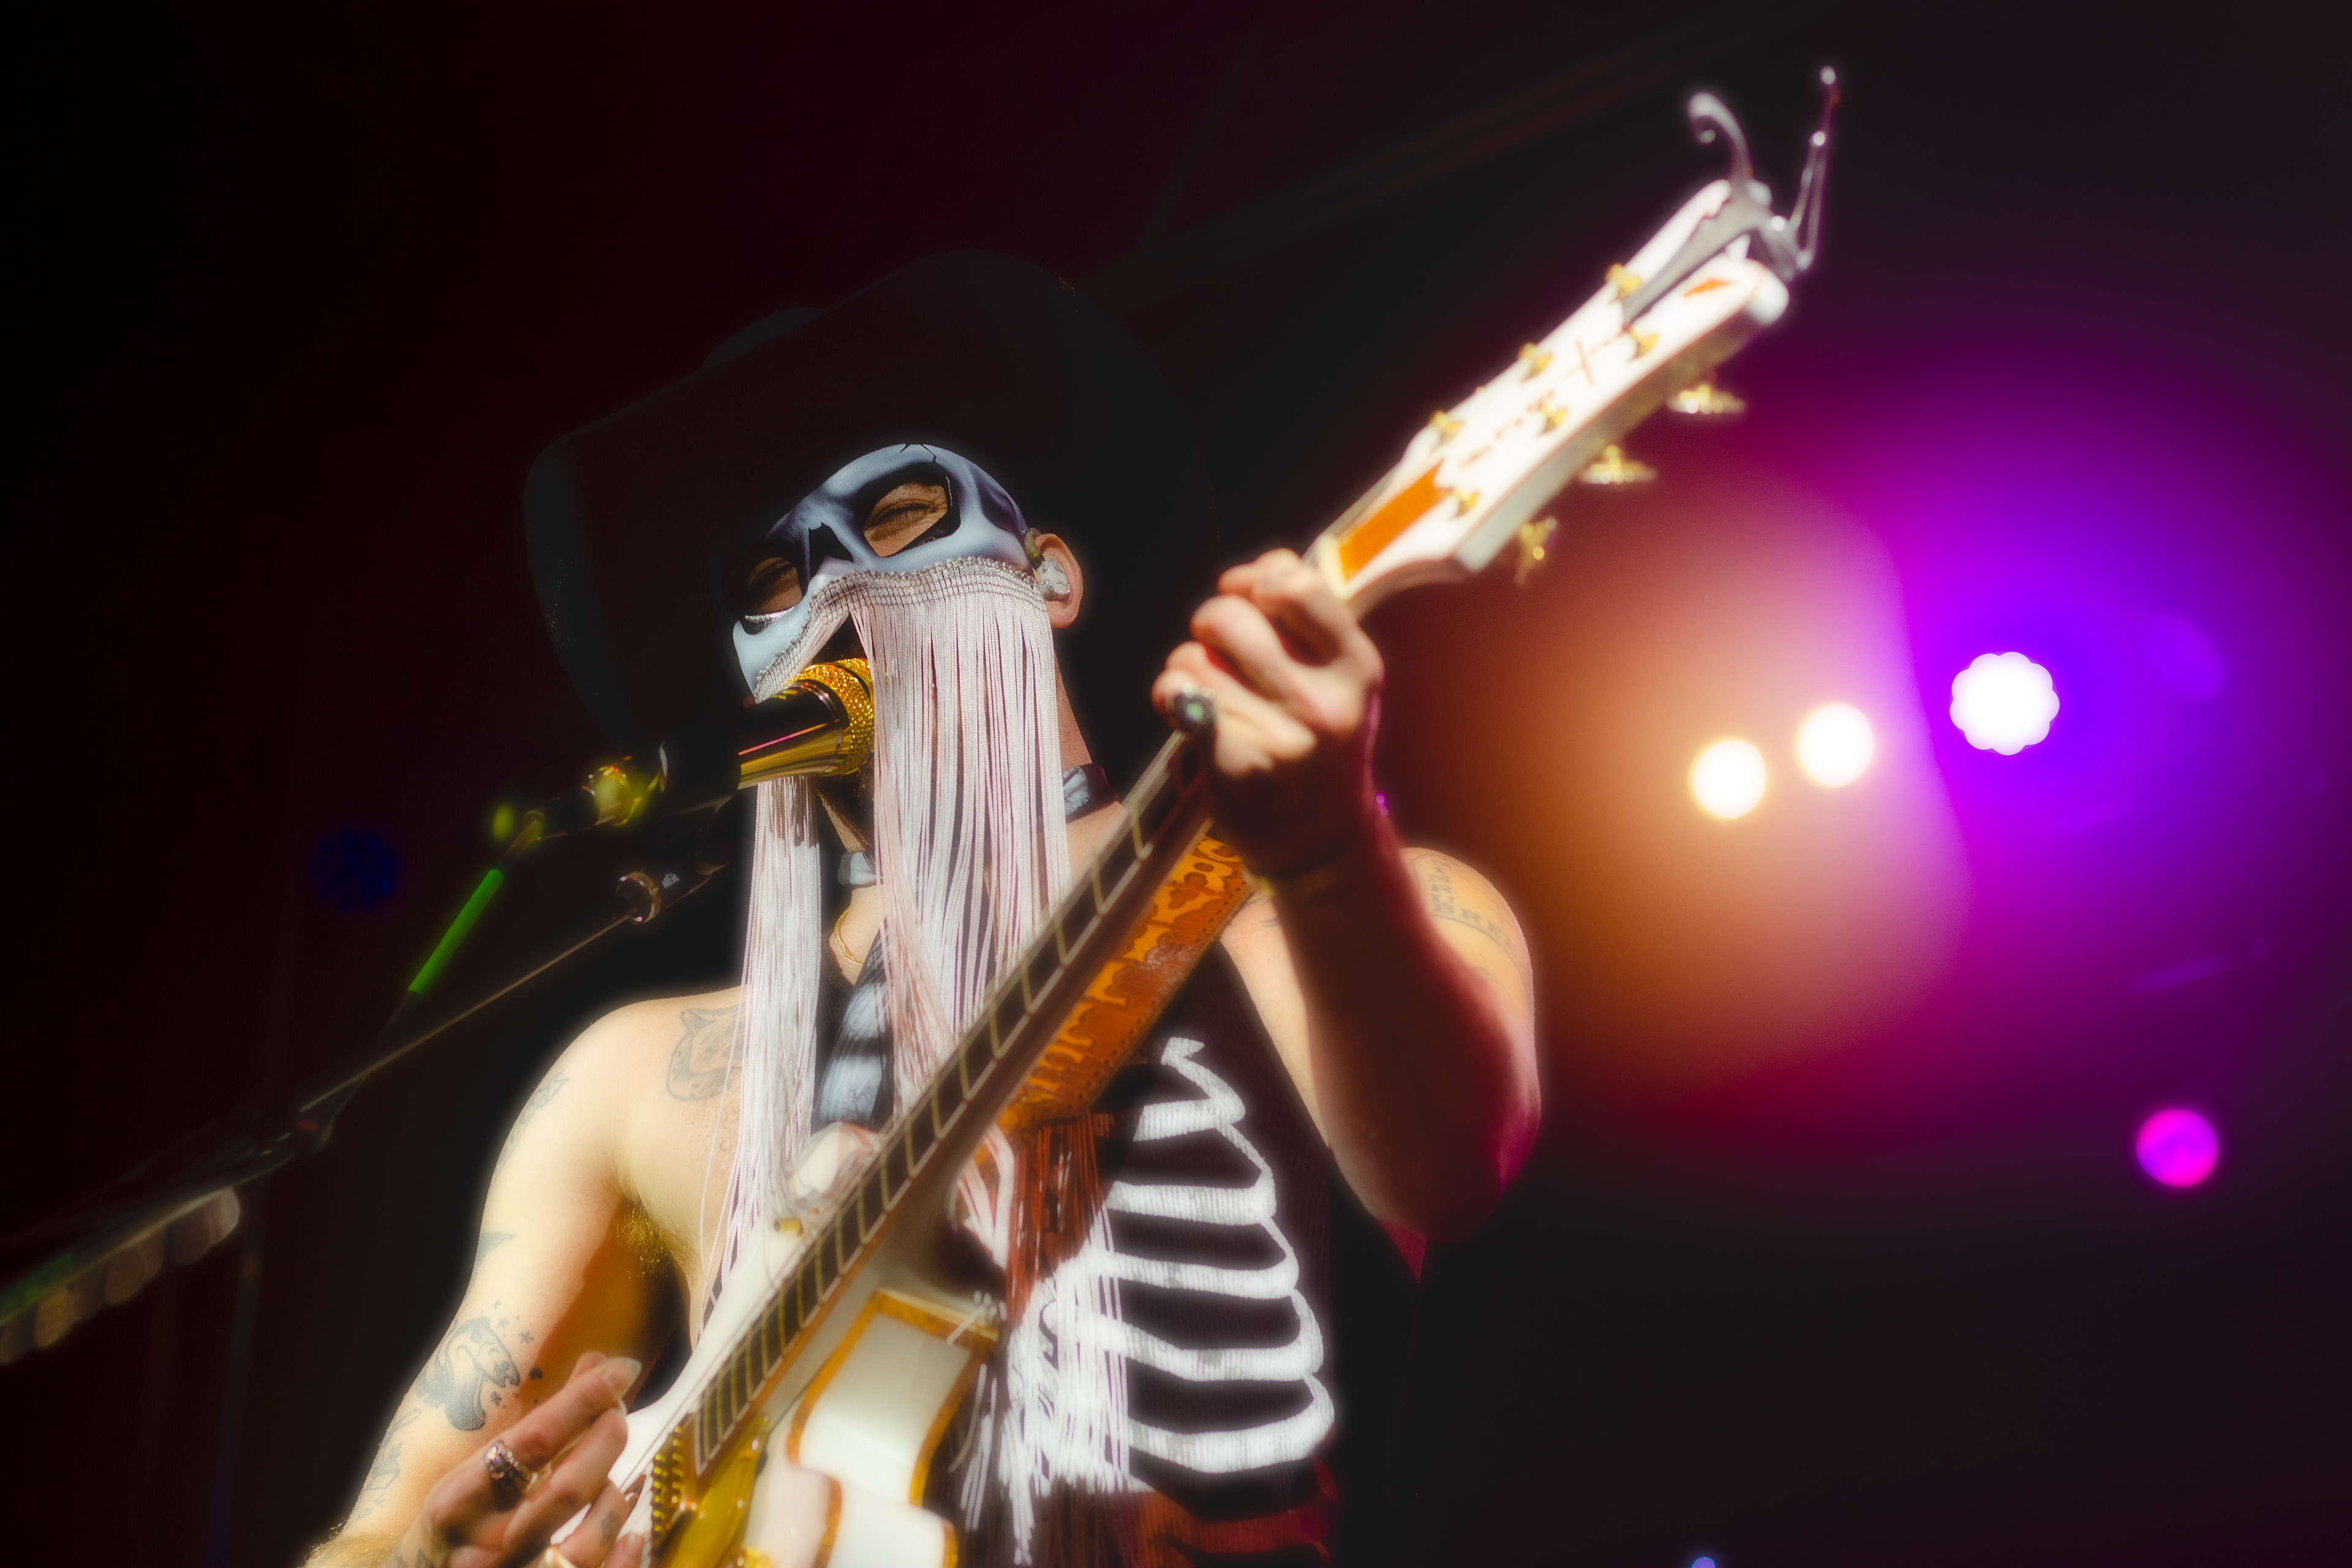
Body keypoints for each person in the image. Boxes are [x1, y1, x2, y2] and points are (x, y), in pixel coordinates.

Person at [309, 252, 1538, 1568]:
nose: (833, 591)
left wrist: (1334, 853)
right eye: (768, 586)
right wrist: (426, 1554)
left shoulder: (1327, 909)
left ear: (1050, 577)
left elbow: (1449, 1165)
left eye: (898, 516)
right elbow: (376, 1532)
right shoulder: (641, 1077)